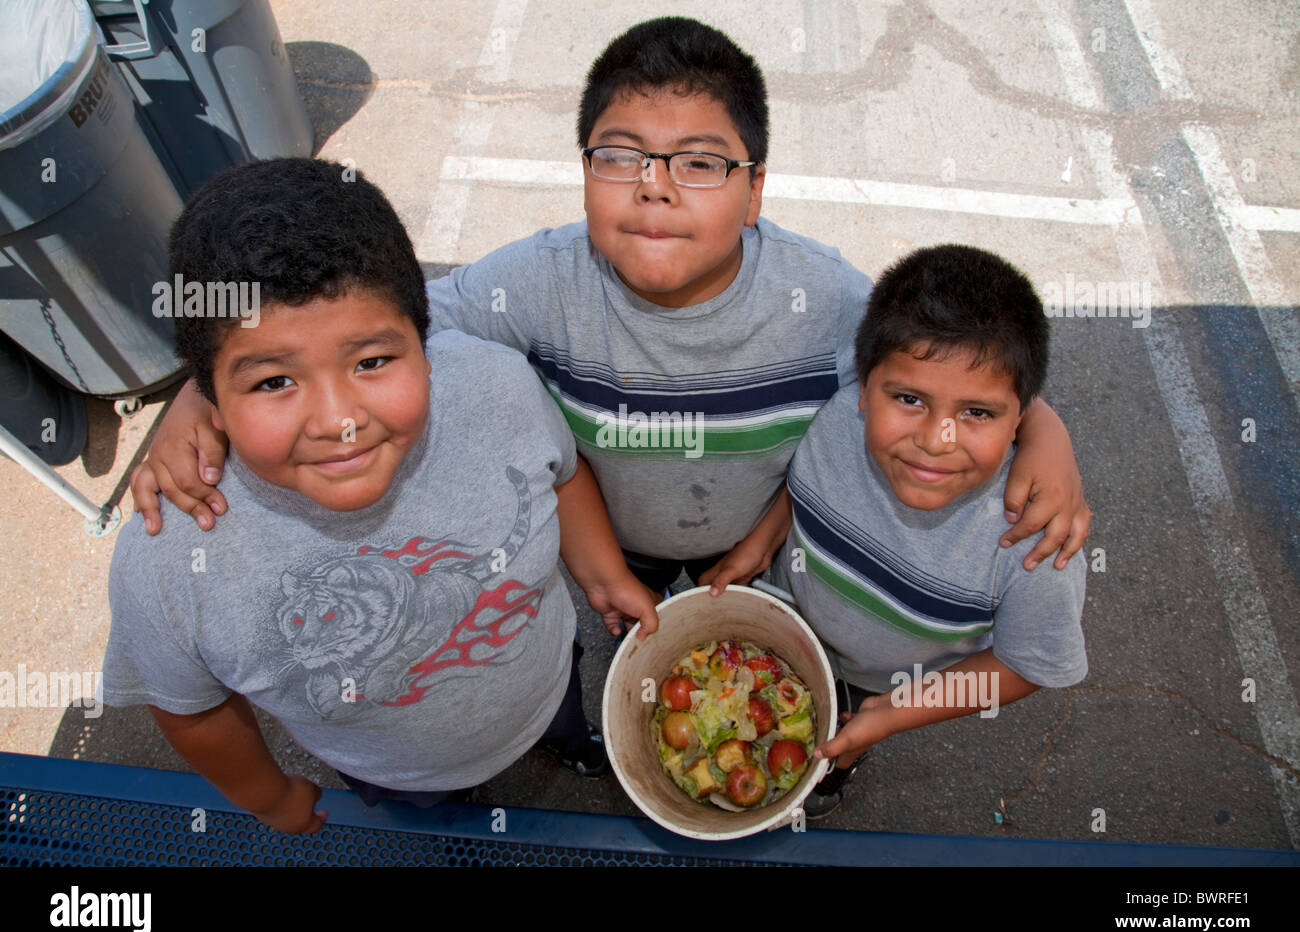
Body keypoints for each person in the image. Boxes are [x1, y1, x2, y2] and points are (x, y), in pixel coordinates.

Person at [127, 17, 1091, 601]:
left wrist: (1042, 427)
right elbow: (343, 324)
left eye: (702, 162)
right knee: (621, 614)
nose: (656, 187)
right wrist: (203, 395)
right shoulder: (533, 283)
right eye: (621, 155)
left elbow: (942, 363)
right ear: (584, 171)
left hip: (760, 532)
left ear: (756, 191)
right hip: (606, 528)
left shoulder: (827, 298)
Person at [102, 158, 659, 834]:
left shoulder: (497, 388)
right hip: (392, 769)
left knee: (566, 720)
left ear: (425, 342)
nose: (338, 419)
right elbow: (189, 707)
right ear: (208, 395)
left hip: (545, 682)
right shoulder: (168, 558)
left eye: (371, 362)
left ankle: (570, 744)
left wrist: (604, 575)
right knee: (431, 817)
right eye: (274, 381)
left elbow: (561, 473)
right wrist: (268, 795)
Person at [768, 244, 1088, 818]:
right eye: (909, 399)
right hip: (783, 633)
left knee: (836, 746)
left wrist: (893, 712)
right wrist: (754, 545)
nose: (938, 439)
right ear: (865, 388)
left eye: (977, 414)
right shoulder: (839, 417)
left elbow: (1024, 663)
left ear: (1022, 418)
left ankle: (831, 780)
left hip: (887, 684)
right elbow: (802, 490)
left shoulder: (1034, 546)